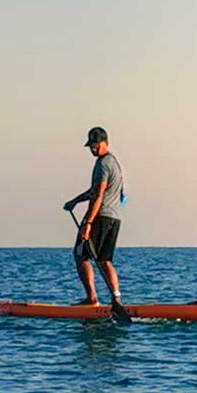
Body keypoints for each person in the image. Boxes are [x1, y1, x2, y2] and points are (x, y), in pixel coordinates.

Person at [62, 126, 125, 307]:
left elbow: (98, 195)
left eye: (96, 145)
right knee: (104, 260)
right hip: (114, 218)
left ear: (106, 143)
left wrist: (88, 223)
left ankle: (92, 299)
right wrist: (75, 201)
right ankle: (117, 300)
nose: (93, 149)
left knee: (81, 255)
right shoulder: (115, 163)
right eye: (91, 146)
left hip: (100, 217)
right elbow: (96, 191)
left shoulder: (103, 164)